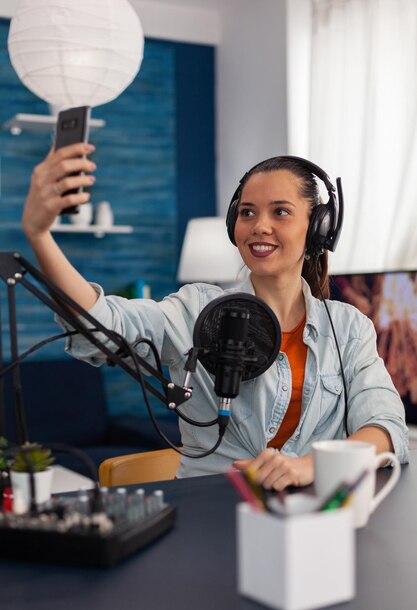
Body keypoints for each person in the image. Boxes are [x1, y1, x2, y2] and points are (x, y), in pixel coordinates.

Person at [22, 145, 409, 490]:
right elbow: (102, 327)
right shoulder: (195, 310)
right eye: (247, 212)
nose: (260, 225)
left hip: (317, 511)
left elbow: (386, 427)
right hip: (213, 511)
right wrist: (40, 234)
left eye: (281, 212)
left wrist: (312, 466)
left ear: (318, 229)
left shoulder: (348, 328)